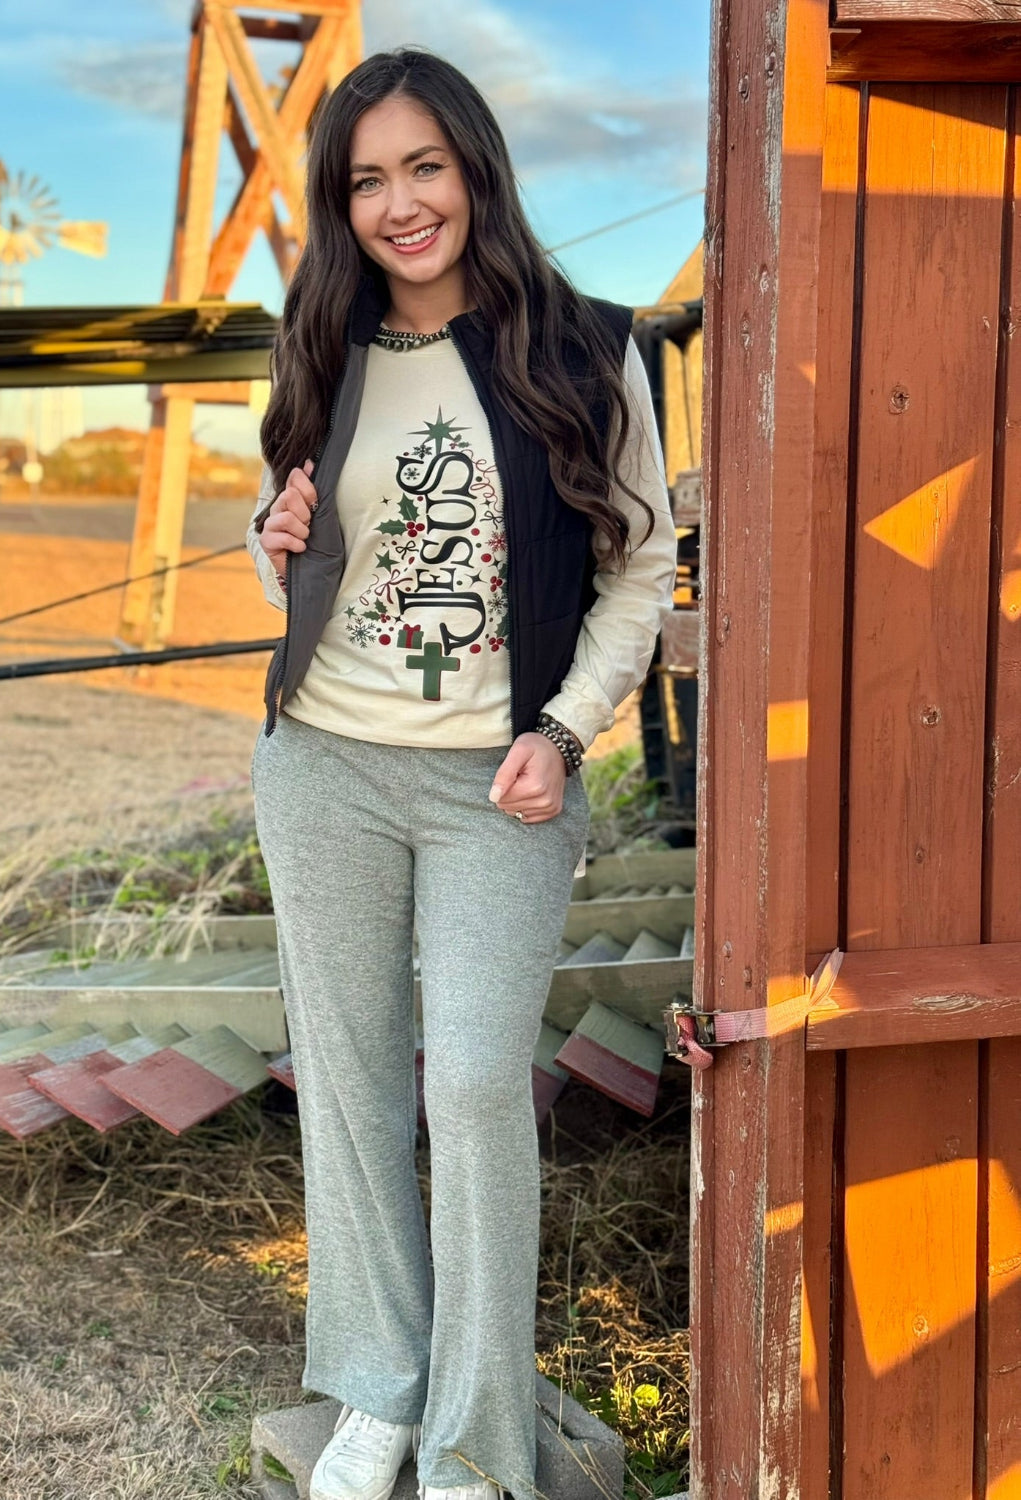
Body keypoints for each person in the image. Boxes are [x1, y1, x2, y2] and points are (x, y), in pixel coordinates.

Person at [245, 47, 677, 1500]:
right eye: (367, 180)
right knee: (352, 1081)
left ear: (476, 167)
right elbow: (294, 547)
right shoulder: (320, 342)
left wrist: (565, 729)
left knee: (482, 1086)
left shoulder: (584, 347)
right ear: (342, 204)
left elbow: (640, 567)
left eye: (422, 166)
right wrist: (274, 544)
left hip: (500, 783)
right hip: (325, 765)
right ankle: (379, 1386)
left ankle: (474, 1435)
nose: (399, 203)